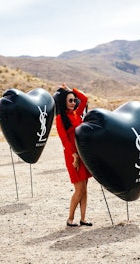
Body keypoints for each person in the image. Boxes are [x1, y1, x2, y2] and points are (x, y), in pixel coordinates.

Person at [53, 83, 92, 227]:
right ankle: (70, 219)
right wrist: (74, 155)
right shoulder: (60, 119)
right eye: (70, 100)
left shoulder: (77, 113)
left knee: (85, 188)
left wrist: (70, 89)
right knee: (79, 189)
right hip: (72, 156)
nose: (74, 102)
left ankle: (83, 218)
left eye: (74, 100)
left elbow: (84, 98)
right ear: (63, 102)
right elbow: (64, 140)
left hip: (83, 154)